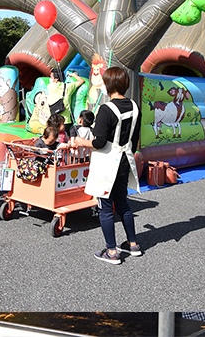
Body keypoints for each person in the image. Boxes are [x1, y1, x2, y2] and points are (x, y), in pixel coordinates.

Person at [73, 66, 142, 265]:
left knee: (105, 207)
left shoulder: (106, 109)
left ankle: (111, 252)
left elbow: (99, 142)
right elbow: (135, 139)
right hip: (124, 161)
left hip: (106, 164)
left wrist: (80, 142)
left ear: (108, 84)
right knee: (123, 204)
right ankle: (133, 243)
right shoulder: (135, 106)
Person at [47, 68, 84, 133]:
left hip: (53, 120)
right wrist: (73, 75)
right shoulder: (68, 87)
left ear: (56, 79)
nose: (50, 78)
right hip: (65, 121)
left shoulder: (49, 86)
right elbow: (81, 81)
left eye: (51, 76)